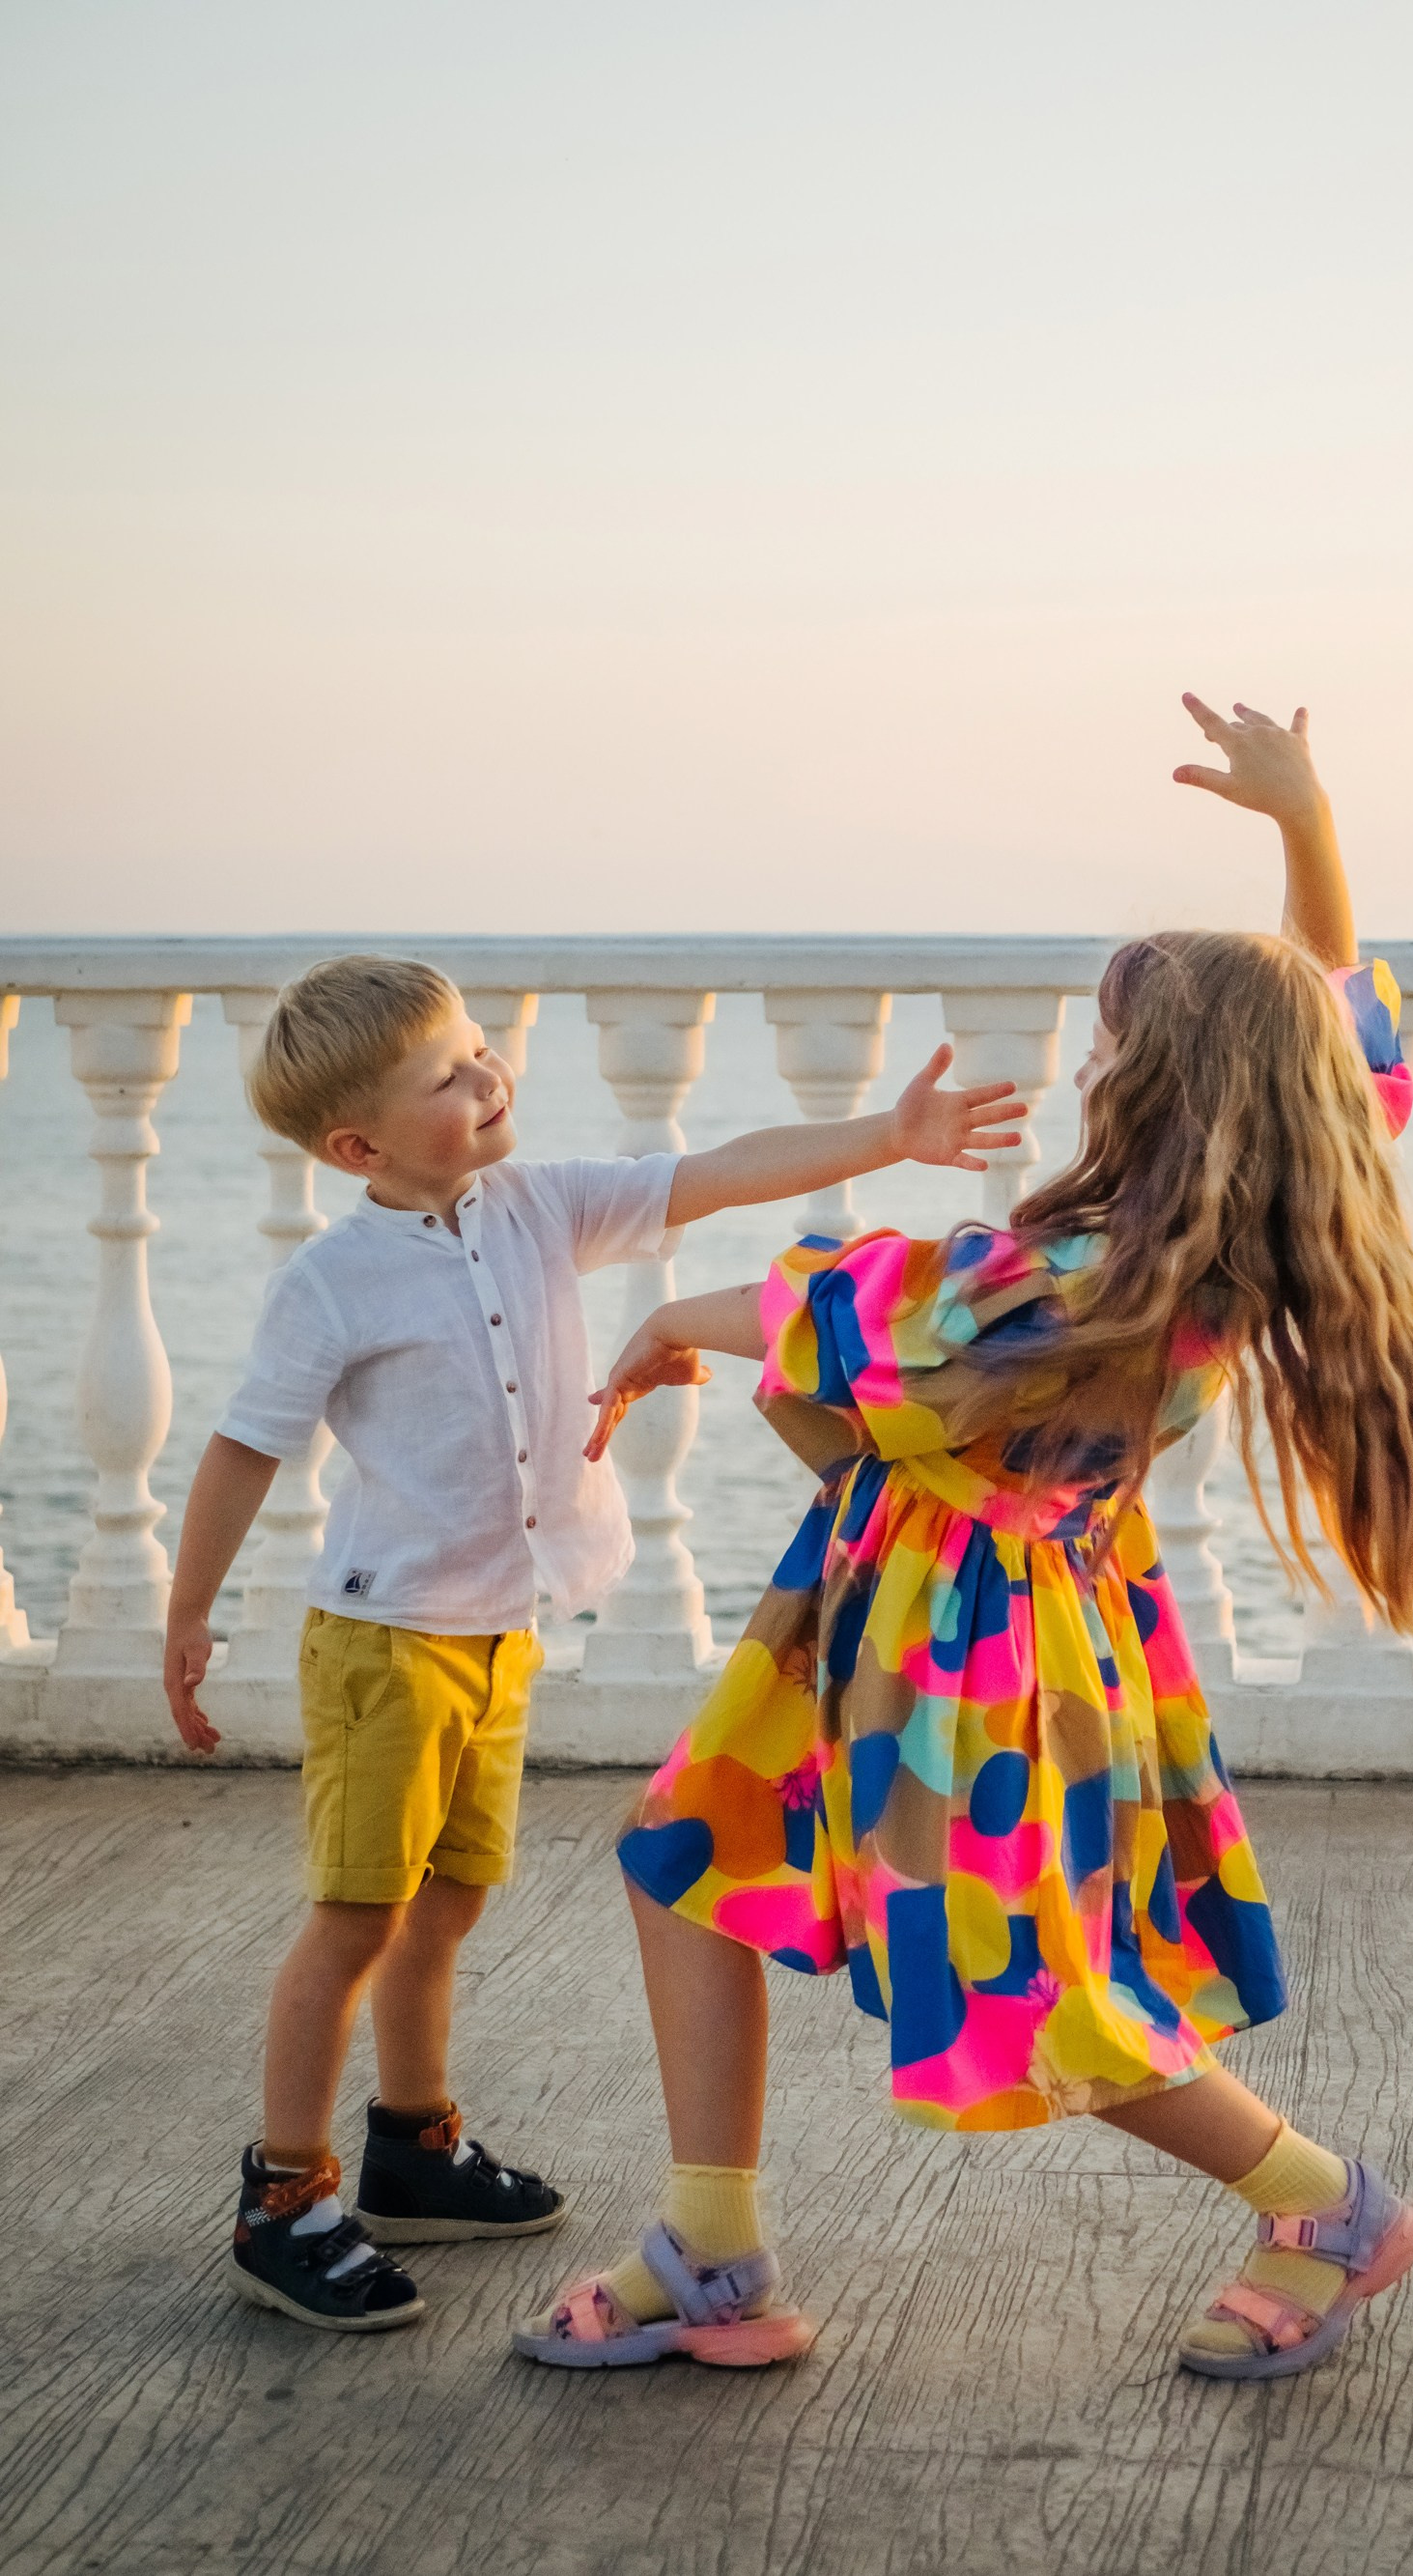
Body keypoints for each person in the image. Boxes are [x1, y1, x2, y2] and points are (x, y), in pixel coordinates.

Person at [516, 695, 1413, 2383]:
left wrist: (671, 1322)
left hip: (973, 1658)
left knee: (1033, 1990)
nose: (1084, 1063)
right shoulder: (1235, 1227)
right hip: (896, 1613)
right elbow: (1347, 1041)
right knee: (689, 1861)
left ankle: (1331, 2206)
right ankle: (713, 2250)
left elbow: (859, 1322)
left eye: (1110, 1045)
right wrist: (1307, 826)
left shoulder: (1078, 1289)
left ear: (1174, 1091)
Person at [162, 957, 1025, 2334]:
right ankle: (284, 2196)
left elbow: (720, 1171)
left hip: (493, 1632)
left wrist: (887, 1138)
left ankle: (412, 2145)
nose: (489, 1077)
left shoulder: (539, 1204)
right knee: (356, 1920)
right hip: (385, 1643)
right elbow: (243, 1447)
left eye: (480, 1049)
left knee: (445, 1908)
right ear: (355, 1146)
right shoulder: (332, 1285)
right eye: (448, 1078)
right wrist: (189, 1608)